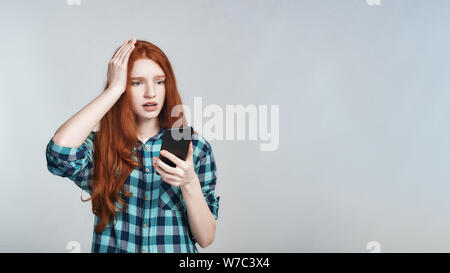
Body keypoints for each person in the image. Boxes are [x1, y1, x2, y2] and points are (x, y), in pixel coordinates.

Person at [45, 38, 220, 253]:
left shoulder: (193, 146)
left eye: (159, 81)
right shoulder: (101, 148)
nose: (151, 93)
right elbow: (58, 152)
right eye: (136, 82)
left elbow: (206, 238)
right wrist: (113, 89)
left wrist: (189, 182)